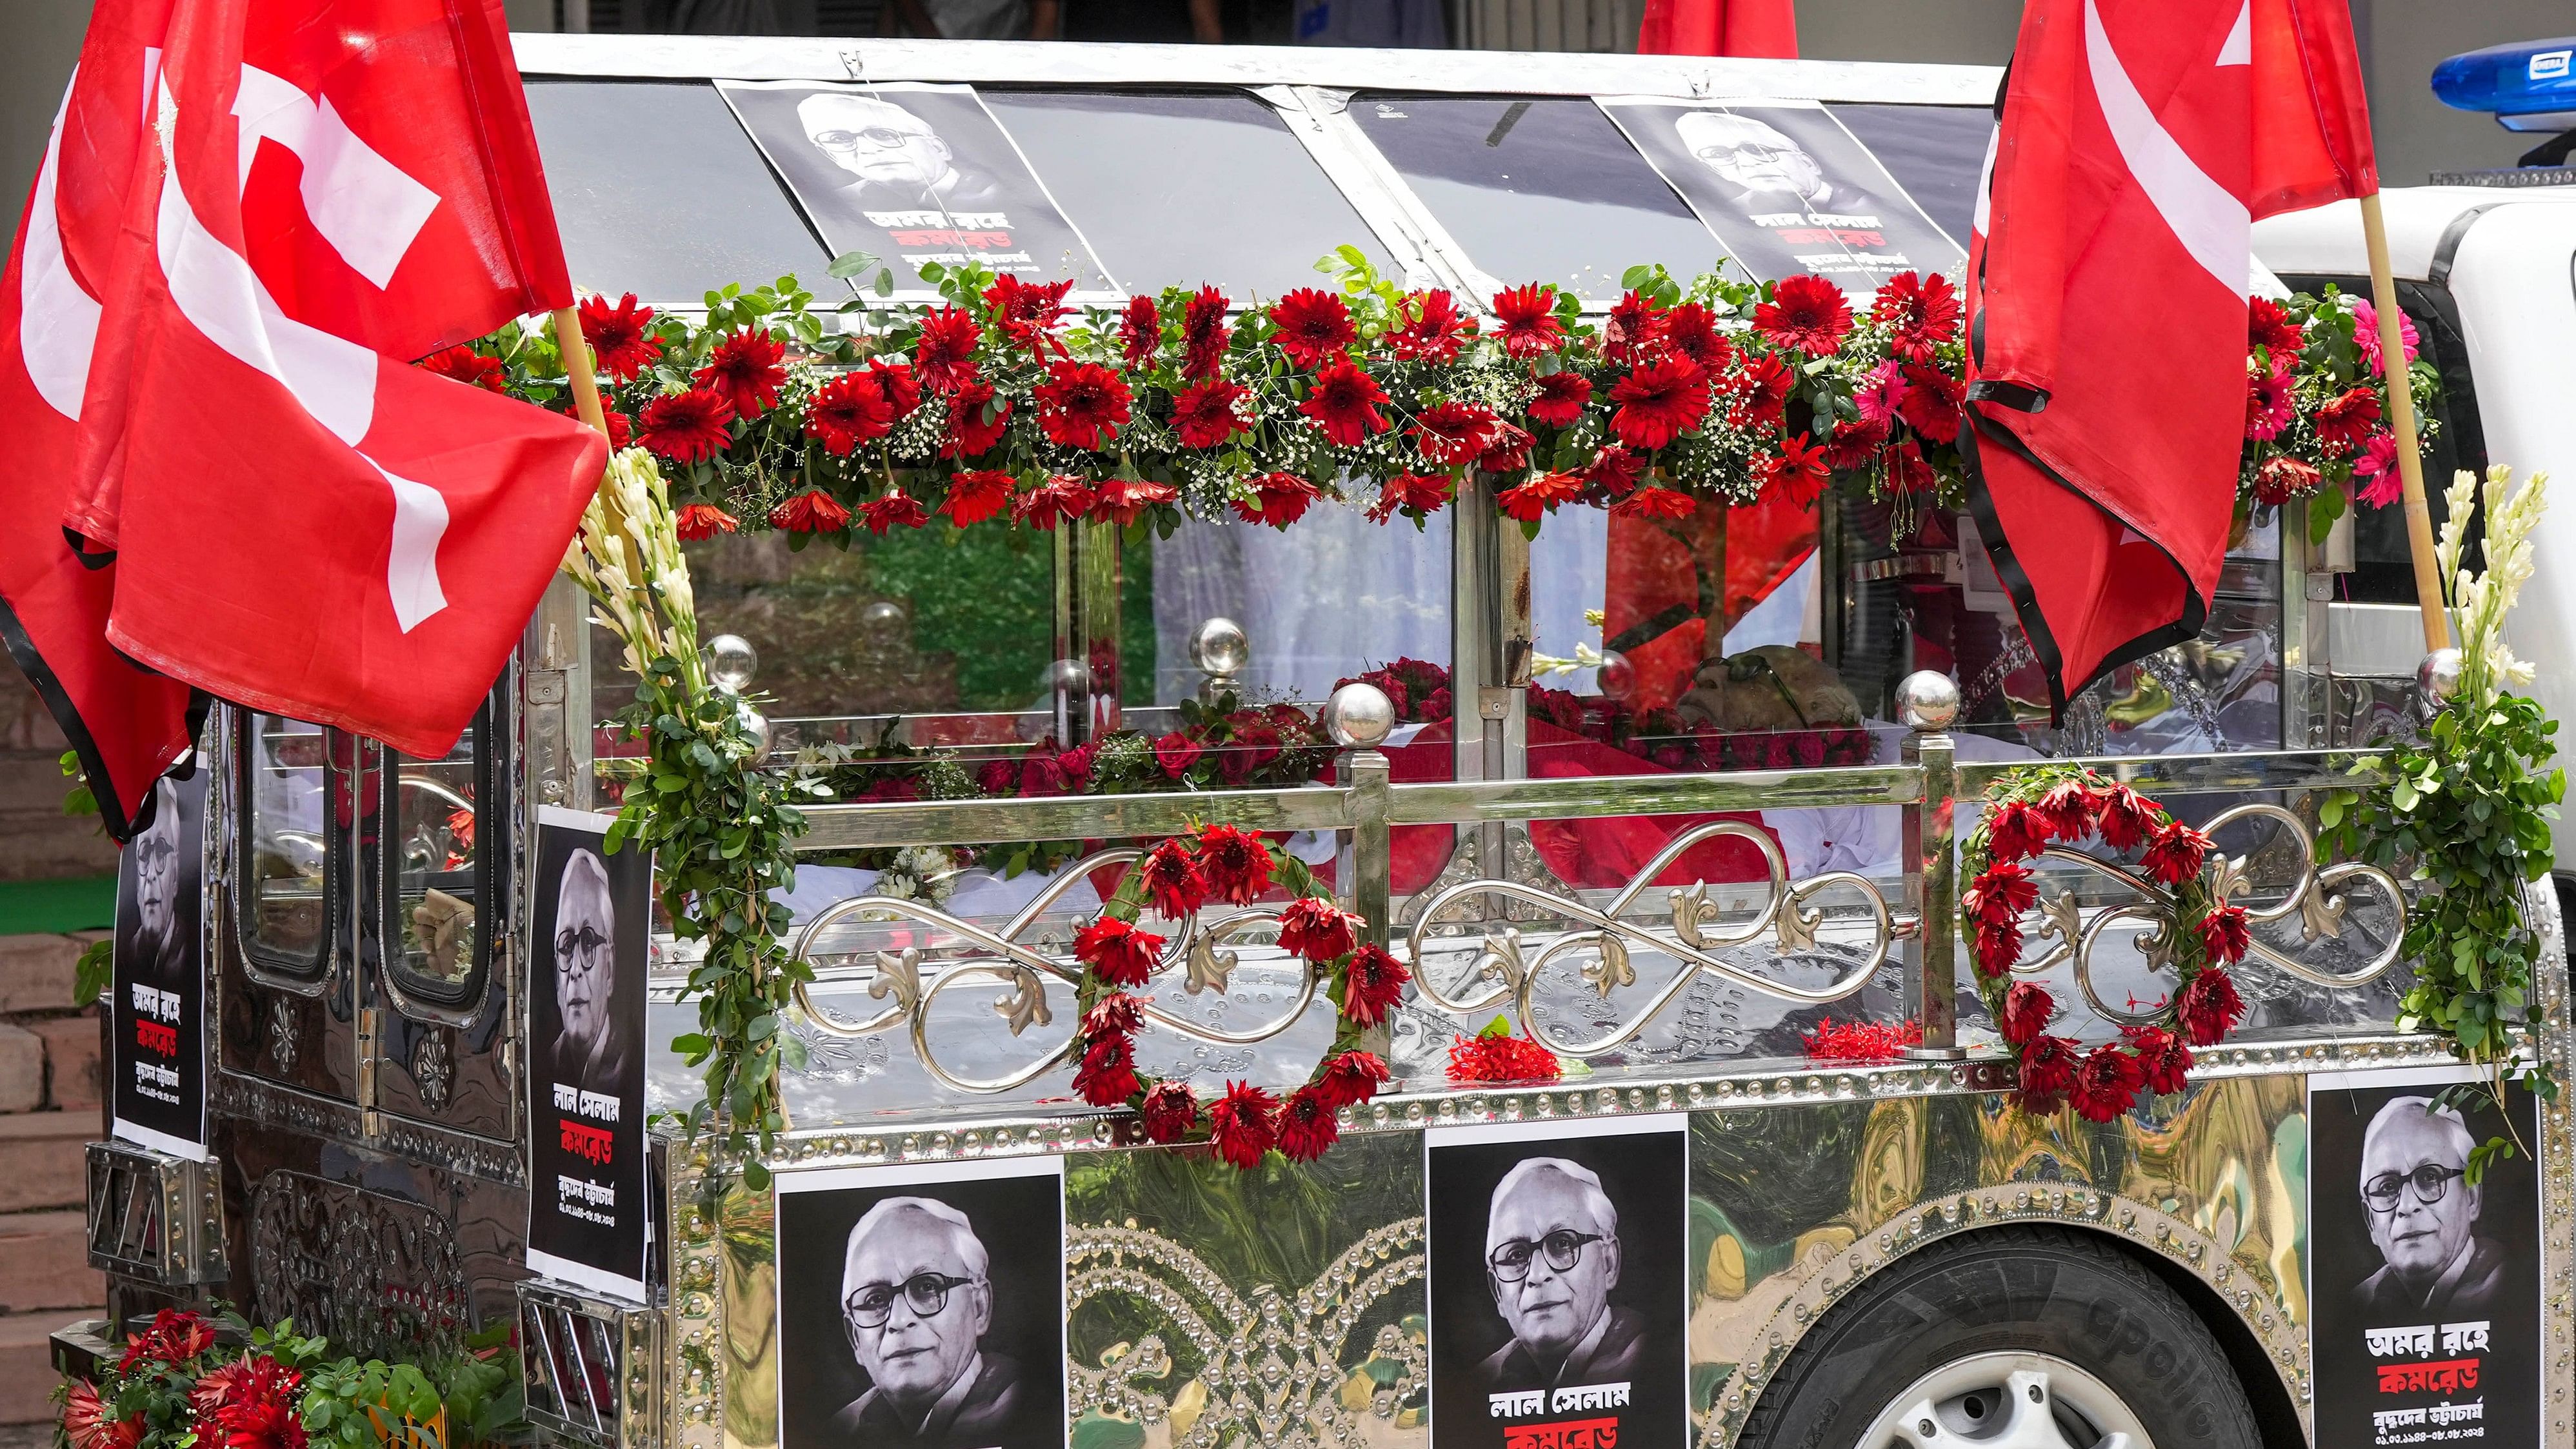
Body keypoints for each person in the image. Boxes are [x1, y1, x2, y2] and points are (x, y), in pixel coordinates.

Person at [832, 1197, 1022, 1446]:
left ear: (979, 1308)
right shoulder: (838, 1432)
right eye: (875, 1299)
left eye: (927, 1286)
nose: (899, 1321)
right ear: (855, 1339)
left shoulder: (1032, 1410)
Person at [1476, 1158, 1646, 1395]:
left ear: (1608, 1263)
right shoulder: (1477, 1385)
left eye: (1562, 1243)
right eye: (1516, 1255)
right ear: (1497, 1293)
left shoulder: (1656, 1365)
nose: (1537, 1275)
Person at [2351, 1097, 2507, 1319]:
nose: (2406, 1206)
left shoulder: (2514, 1288)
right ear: (2370, 1221)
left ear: (2472, 1196)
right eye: (2387, 1187)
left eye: (2430, 1177)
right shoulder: (2356, 1307)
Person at [796, 93, 1004, 211]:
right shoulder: (837, 206)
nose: (867, 149)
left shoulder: (1001, 195)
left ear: (939, 148)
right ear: (831, 156)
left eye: (885, 135)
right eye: (840, 139)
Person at [552, 849, 630, 1086]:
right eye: (566, 946)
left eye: (588, 942)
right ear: (557, 980)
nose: (575, 970)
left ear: (610, 968)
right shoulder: (544, 1067)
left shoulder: (629, 1069)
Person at [1675, 110, 1838, 212]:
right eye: (1719, 154)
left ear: (1809, 163)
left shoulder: (1859, 203)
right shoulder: (1729, 214)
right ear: (1718, 171)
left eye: (1757, 150)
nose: (1746, 162)